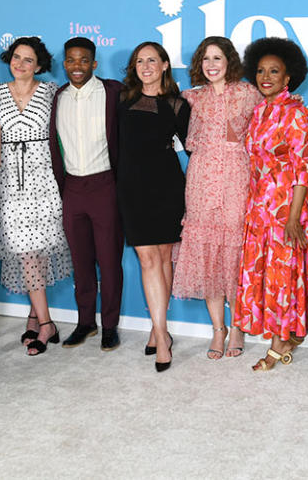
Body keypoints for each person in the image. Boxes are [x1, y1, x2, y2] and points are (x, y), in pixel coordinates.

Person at [234, 37, 308, 372]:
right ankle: (283, 334)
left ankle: (279, 343)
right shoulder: (258, 112)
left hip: (287, 207)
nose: (265, 76)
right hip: (259, 207)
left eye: (274, 71)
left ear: (289, 78)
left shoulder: (297, 114)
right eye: (260, 71)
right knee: (265, 274)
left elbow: (302, 167)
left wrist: (295, 217)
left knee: (282, 276)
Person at [172, 36, 261, 359]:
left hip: (237, 178)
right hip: (200, 179)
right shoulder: (191, 98)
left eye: (217, 58)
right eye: (206, 58)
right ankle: (218, 329)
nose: (211, 65)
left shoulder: (248, 93)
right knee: (208, 255)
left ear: (229, 62)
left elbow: (261, 135)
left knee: (235, 257)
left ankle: (237, 327)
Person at [0, 36, 72, 356]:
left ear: (39, 66)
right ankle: (46, 321)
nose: (20, 64)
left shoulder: (52, 93)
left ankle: (36, 317)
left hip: (45, 180)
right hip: (9, 182)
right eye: (16, 57)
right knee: (24, 251)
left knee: (36, 252)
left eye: (28, 60)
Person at [116, 42, 191, 372]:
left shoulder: (177, 104)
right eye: (139, 61)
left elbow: (194, 147)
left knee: (163, 257)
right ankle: (162, 336)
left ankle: (157, 327)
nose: (145, 66)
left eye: (152, 60)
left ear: (164, 65)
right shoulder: (122, 99)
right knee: (148, 259)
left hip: (166, 186)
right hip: (131, 188)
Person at [48, 37, 125, 352]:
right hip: (73, 189)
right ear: (64, 64)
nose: (76, 66)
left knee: (109, 262)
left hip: (105, 185)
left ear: (94, 64)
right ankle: (85, 323)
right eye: (70, 60)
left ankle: (109, 326)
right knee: (81, 262)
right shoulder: (60, 97)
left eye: (83, 60)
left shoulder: (113, 92)